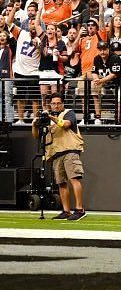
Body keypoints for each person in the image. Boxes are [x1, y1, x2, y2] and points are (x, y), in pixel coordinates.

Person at [32, 92, 86, 221]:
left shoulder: (69, 112)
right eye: (53, 103)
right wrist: (34, 124)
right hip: (56, 153)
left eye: (58, 103)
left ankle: (80, 209)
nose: (56, 106)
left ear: (62, 103)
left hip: (69, 150)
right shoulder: (47, 120)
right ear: (49, 104)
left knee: (74, 178)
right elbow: (37, 136)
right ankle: (66, 211)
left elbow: (66, 124)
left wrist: (50, 117)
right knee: (61, 183)